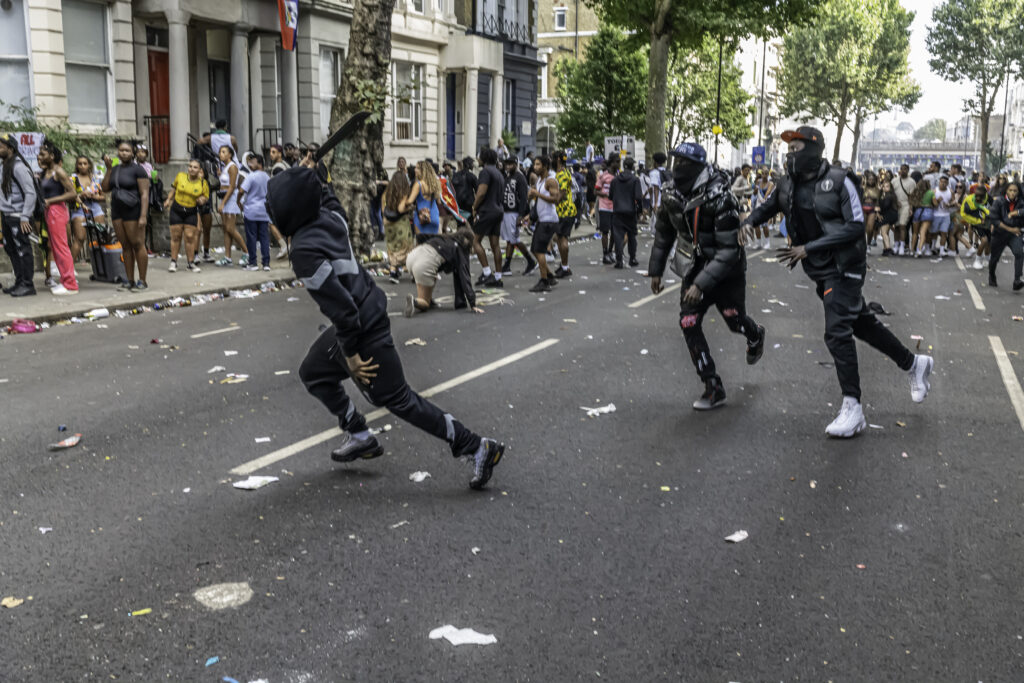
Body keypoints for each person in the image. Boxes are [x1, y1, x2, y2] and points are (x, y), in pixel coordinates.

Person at [267, 162, 505, 489]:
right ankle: (359, 434)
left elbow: (344, 310)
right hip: (366, 310)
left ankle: (476, 446)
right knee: (313, 371)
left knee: (398, 399)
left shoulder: (304, 251)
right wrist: (314, 177)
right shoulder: (330, 217)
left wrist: (350, 355)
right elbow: (330, 197)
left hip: (360, 326)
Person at [743, 126, 933, 438]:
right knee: (861, 324)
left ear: (814, 149)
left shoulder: (840, 181)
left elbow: (856, 227)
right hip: (820, 269)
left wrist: (808, 248)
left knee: (836, 332)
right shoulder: (787, 182)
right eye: (788, 149)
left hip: (846, 266)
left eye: (797, 147)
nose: (791, 153)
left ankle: (853, 407)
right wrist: (749, 222)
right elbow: (772, 205)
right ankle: (915, 364)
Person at [648, 142, 765, 410]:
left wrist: (701, 284)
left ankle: (755, 334)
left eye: (686, 164)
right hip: (694, 266)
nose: (679, 169)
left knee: (734, 320)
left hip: (727, 272)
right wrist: (656, 270)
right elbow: (664, 233)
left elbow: (728, 251)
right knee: (688, 322)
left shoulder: (722, 198)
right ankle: (712, 385)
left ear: (700, 167)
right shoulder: (671, 194)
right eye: (676, 162)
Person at [101, 140, 150, 290]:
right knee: (125, 246)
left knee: (137, 243)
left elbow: (144, 194)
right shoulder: (114, 169)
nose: (124, 153)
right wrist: (108, 169)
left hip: (133, 210)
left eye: (127, 150)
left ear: (133, 153)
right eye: (121, 150)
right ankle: (130, 279)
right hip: (117, 210)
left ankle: (142, 280)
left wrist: (143, 215)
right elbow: (105, 188)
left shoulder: (138, 170)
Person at [404, 227, 484, 316]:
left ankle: (428, 298)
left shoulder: (445, 238)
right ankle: (415, 301)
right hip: (424, 264)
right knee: (424, 302)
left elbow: (420, 236)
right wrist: (472, 303)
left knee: (433, 274)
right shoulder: (461, 247)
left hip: (412, 257)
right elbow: (465, 276)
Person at [37, 141, 78, 295]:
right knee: (55, 247)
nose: (39, 156)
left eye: (43, 154)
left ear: (52, 156)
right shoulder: (46, 173)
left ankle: (70, 284)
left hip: (57, 211)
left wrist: (50, 201)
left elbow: (73, 193)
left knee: (61, 248)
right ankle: (65, 281)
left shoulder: (59, 172)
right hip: (49, 212)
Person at [0, 134, 38, 296]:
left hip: (19, 216)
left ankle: (28, 285)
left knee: (23, 249)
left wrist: (24, 217)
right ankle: (19, 281)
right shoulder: (4, 166)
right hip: (7, 214)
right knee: (11, 249)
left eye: (1, 146)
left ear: (11, 148)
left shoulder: (18, 167)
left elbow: (31, 193)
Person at [164, 159, 208, 273]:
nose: (191, 169)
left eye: (195, 167)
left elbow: (205, 197)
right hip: (177, 209)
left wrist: (201, 200)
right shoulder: (181, 176)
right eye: (190, 166)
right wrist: (168, 200)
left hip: (191, 211)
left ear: (199, 170)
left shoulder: (203, 183)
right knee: (176, 236)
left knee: (189, 237)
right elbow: (173, 189)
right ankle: (173, 262)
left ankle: (190, 263)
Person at [471, 147, 506, 287]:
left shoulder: (485, 172)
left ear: (484, 159)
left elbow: (481, 193)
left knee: (475, 241)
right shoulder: (498, 173)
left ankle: (487, 273)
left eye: (479, 157)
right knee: (495, 244)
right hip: (498, 211)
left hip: (487, 211)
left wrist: (474, 207)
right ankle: (498, 277)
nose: (477, 159)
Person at [527, 154, 562, 292]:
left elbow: (556, 199)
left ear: (545, 166)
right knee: (535, 249)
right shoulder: (541, 181)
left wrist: (537, 195)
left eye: (538, 164)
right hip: (543, 219)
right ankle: (550, 276)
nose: (535, 167)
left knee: (538, 250)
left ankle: (544, 281)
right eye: (534, 164)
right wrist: (529, 216)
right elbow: (540, 202)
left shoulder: (550, 181)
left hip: (549, 220)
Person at [499, 155, 537, 276]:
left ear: (516, 164)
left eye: (510, 164)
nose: (508, 166)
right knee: (510, 240)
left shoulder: (520, 178)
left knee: (514, 239)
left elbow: (523, 198)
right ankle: (507, 266)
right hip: (506, 212)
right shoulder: (508, 176)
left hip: (514, 212)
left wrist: (520, 216)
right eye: (507, 164)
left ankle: (531, 261)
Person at [215, 144, 249, 267]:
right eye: (220, 152)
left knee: (230, 228)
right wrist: (220, 175)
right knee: (225, 229)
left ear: (230, 154)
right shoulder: (225, 167)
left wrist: (223, 203)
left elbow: (232, 186)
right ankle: (227, 257)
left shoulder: (233, 166)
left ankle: (247, 252)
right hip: (224, 196)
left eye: (224, 152)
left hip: (230, 198)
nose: (221, 154)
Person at [238, 153, 272, 271]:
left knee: (251, 237)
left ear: (260, 164)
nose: (250, 164)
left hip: (251, 211)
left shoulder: (251, 176)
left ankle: (253, 262)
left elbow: (241, 190)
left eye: (253, 162)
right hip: (264, 211)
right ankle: (266, 262)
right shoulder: (267, 177)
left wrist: (238, 202)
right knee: (264, 237)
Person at [986, 181, 1023, 289]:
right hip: (1000, 233)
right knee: (994, 258)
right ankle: (991, 275)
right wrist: (1010, 229)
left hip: (1015, 234)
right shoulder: (999, 201)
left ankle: (1017, 280)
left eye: (1015, 191)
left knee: (1019, 253)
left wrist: (1017, 213)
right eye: (1010, 190)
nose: (1012, 193)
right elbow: (994, 220)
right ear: (1006, 191)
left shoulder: (1021, 202)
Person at [608, 156, 643, 269]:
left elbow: (611, 196)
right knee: (632, 236)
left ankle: (619, 260)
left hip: (617, 211)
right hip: (630, 211)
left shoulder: (615, 180)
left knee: (618, 236)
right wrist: (640, 211)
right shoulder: (635, 180)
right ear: (632, 166)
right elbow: (638, 197)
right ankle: (632, 258)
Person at [69, 156, 105, 263]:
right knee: (79, 239)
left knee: (101, 237)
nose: (83, 166)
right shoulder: (73, 179)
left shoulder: (95, 178)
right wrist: (81, 195)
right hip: (79, 209)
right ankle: (69, 268)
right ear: (77, 165)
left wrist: (95, 197)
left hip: (95, 207)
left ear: (89, 165)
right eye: (80, 163)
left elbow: (103, 197)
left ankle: (104, 264)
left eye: (85, 163)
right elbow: (69, 197)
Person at [382, 170, 414, 283]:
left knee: (392, 247)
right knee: (405, 247)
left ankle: (393, 271)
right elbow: (401, 209)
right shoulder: (403, 192)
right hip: (400, 223)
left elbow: (383, 206)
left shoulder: (389, 191)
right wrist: (409, 208)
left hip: (388, 222)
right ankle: (413, 273)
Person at [550, 151, 577, 278]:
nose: (551, 160)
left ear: (559, 160)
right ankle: (564, 265)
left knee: (562, 238)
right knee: (559, 238)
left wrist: (547, 199)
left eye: (553, 158)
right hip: (564, 212)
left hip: (565, 212)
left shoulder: (562, 175)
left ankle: (565, 267)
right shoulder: (564, 173)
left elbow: (560, 195)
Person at [406, 160, 442, 244]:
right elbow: (439, 202)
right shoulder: (435, 184)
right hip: (434, 216)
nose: (415, 169)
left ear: (423, 170)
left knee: (421, 246)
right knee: (433, 245)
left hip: (422, 217)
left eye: (417, 168)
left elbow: (409, 201)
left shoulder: (418, 184)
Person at [961, 182, 991, 270]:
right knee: (984, 240)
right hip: (976, 224)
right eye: (977, 196)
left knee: (989, 242)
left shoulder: (988, 198)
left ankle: (987, 259)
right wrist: (977, 221)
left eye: (981, 197)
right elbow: (963, 214)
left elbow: (993, 208)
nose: (978, 198)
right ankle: (977, 260)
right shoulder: (968, 201)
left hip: (988, 223)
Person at [595, 159, 617, 264]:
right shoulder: (603, 176)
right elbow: (596, 191)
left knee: (614, 232)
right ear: (612, 164)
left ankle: (610, 251)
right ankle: (605, 254)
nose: (619, 164)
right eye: (617, 161)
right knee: (605, 231)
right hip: (604, 207)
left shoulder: (618, 176)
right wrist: (605, 195)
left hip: (615, 208)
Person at [892, 164, 915, 256]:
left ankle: (902, 245)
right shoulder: (894, 180)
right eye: (901, 169)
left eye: (905, 169)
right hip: (895, 205)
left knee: (902, 225)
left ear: (908, 170)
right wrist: (894, 202)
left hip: (906, 205)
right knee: (896, 226)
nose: (903, 171)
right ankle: (896, 245)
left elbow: (912, 197)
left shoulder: (912, 182)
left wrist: (911, 208)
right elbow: (891, 193)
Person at [930, 175, 954, 257]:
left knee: (944, 233)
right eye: (941, 182)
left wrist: (949, 204)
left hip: (946, 215)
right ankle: (933, 247)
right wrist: (937, 201)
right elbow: (931, 204)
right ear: (939, 182)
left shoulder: (950, 191)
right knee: (934, 232)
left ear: (947, 183)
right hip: (936, 215)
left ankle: (941, 250)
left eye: (945, 182)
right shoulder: (935, 191)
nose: (943, 184)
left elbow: (953, 202)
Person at [877, 178, 899, 256]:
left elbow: (885, 206)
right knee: (885, 232)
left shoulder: (888, 196)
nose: (885, 188)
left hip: (888, 215)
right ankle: (885, 249)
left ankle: (888, 249)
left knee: (883, 233)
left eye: (887, 186)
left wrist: (878, 210)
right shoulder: (890, 195)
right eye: (884, 186)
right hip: (891, 215)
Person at [451, 156, 477, 223]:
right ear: (468, 165)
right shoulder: (472, 176)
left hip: (458, 203)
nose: (473, 165)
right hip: (469, 203)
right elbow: (478, 190)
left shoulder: (456, 175)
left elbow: (452, 188)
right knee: (470, 223)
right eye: (472, 164)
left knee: (460, 222)